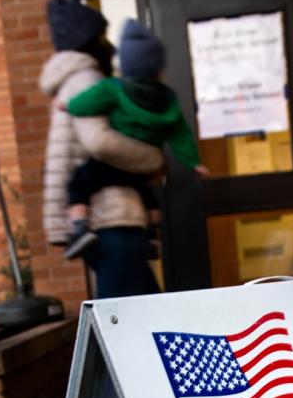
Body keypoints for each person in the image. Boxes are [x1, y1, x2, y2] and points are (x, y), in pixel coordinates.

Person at [39, 0, 165, 298]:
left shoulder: (75, 81)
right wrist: (152, 158)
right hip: (111, 218)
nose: (108, 46)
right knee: (119, 320)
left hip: (106, 220)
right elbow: (100, 141)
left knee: (145, 313)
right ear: (86, 40)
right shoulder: (87, 80)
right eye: (101, 37)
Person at [59, 20, 206, 261]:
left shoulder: (114, 88)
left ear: (125, 65)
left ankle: (80, 229)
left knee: (79, 182)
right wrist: (194, 161)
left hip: (116, 160)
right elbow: (180, 133)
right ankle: (151, 235)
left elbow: (89, 102)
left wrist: (69, 106)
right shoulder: (167, 99)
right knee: (147, 195)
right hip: (145, 163)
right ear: (159, 70)